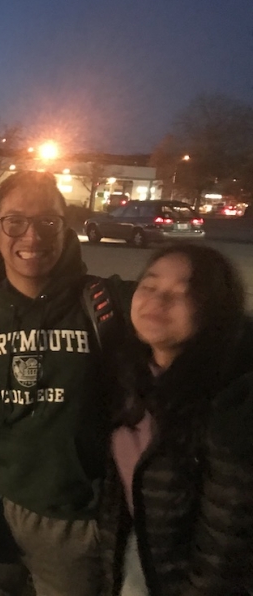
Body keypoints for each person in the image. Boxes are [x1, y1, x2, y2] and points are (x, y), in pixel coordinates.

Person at [0, 170, 134, 595]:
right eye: (15, 222)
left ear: (65, 228)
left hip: (76, 523)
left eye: (48, 222)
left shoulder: (105, 304)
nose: (32, 236)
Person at [99, 244, 253, 595]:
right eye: (149, 286)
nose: (158, 301)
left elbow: (227, 539)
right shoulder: (135, 372)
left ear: (215, 309)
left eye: (181, 293)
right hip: (141, 558)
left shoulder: (233, 399)